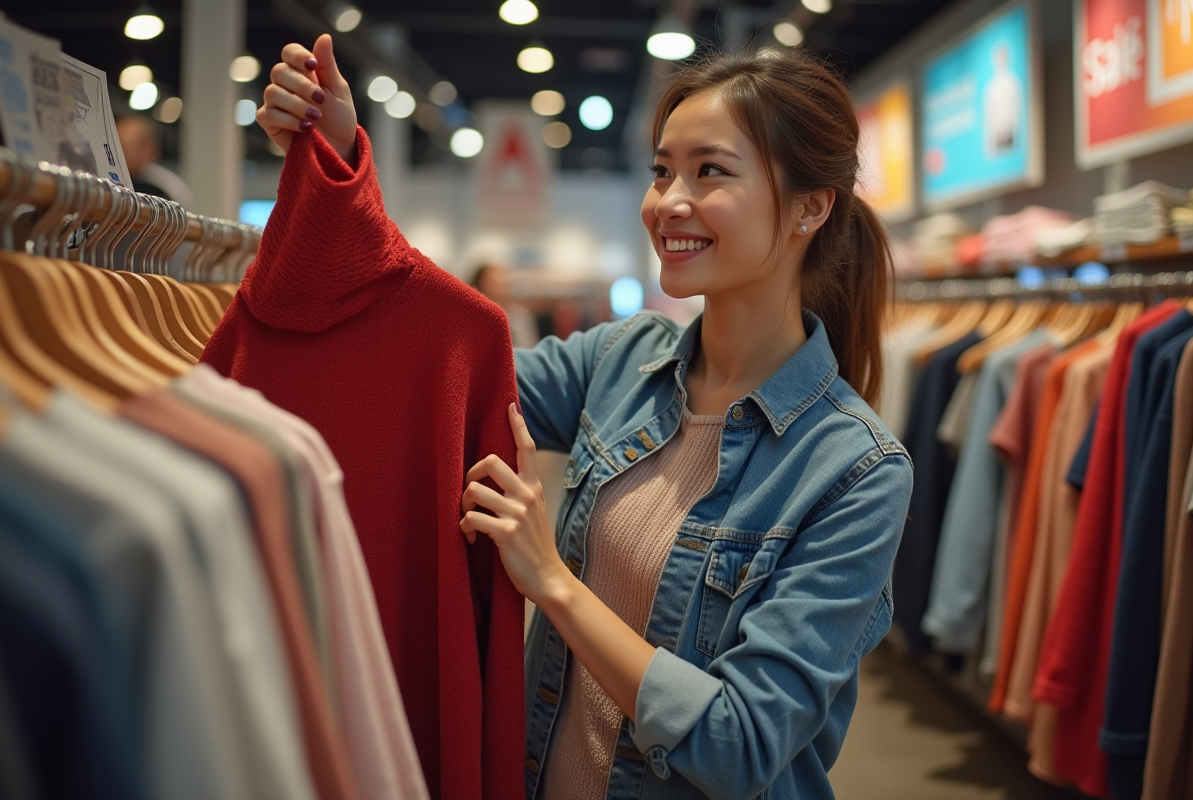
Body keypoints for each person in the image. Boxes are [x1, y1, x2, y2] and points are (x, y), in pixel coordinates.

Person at [256, 34, 913, 800]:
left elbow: (741, 742)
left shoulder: (855, 472)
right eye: (662, 171)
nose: (668, 202)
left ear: (810, 207)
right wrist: (336, 166)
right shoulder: (621, 359)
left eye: (710, 171)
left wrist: (554, 583)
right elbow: (436, 370)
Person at [115, 114, 194, 208]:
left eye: (124, 146)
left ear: (150, 149)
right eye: (115, 146)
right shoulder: (107, 179)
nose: (117, 152)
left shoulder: (166, 188)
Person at [470, 262, 540, 349]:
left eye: (502, 281)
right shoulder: (471, 316)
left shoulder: (519, 316)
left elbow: (528, 348)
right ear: (479, 284)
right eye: (493, 281)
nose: (499, 286)